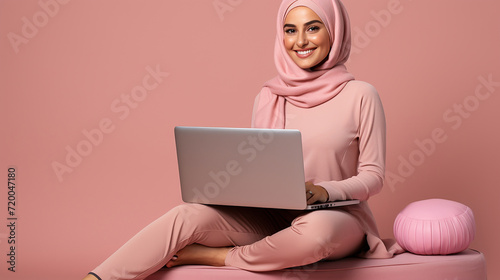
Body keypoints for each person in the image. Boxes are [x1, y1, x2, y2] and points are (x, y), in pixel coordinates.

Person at [83, 0, 403, 279]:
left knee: (316, 234)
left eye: (313, 28)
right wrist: (232, 186)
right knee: (188, 214)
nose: (301, 41)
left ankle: (224, 257)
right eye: (290, 30)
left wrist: (324, 191)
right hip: (272, 217)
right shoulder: (269, 95)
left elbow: (373, 177)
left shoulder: (360, 95)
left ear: (335, 30)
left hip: (337, 219)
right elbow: (258, 169)